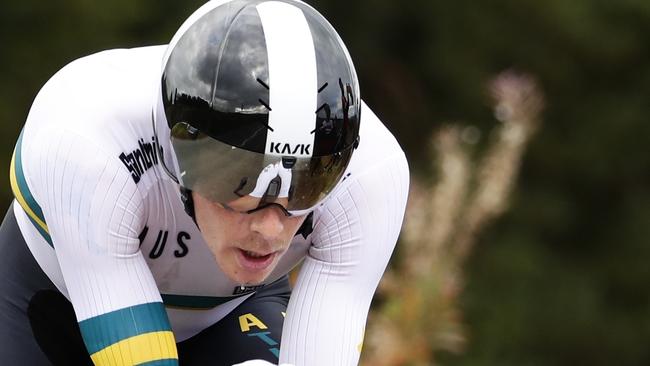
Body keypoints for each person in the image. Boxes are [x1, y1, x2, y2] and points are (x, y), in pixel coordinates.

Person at [0, 0, 409, 365]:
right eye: (239, 183)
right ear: (183, 153)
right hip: (49, 304)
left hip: (228, 316)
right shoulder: (86, 135)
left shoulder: (370, 174)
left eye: (306, 187)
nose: (270, 229)